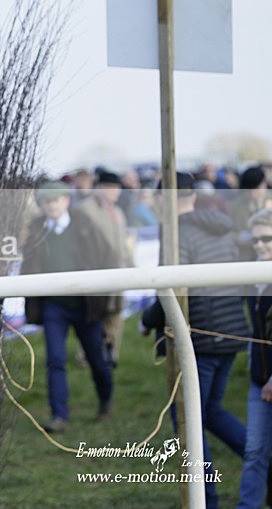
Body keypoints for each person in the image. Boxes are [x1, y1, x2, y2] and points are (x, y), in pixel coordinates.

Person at [140, 172, 249, 509]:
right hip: (229, 332)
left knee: (188, 424)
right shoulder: (220, 225)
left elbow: (171, 291)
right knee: (211, 411)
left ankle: (207, 501)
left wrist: (147, 321)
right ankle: (264, 459)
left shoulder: (176, 233)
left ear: (163, 199)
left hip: (198, 339)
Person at [21, 181, 117, 433]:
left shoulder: (84, 225)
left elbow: (107, 257)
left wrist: (104, 297)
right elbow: (28, 266)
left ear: (66, 200)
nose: (52, 205)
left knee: (96, 358)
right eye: (47, 201)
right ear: (41, 205)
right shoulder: (36, 230)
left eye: (56, 200)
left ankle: (106, 399)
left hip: (86, 304)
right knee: (55, 359)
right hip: (54, 305)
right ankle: (59, 415)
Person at [75, 170, 132, 366]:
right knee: (94, 315)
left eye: (117, 189)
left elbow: (123, 244)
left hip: (118, 273)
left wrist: (131, 266)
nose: (116, 193)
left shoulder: (118, 212)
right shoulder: (85, 211)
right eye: (111, 189)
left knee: (116, 315)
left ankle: (111, 354)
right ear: (100, 189)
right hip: (96, 273)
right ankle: (86, 356)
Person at [237, 208, 272, 508]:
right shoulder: (251, 274)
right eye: (255, 239)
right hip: (258, 377)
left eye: (266, 239)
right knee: (254, 450)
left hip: (267, 379)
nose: (259, 245)